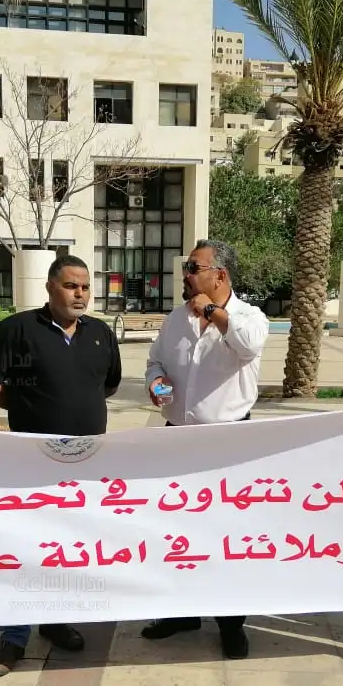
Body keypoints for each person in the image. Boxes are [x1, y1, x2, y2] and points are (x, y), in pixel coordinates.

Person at [0, 255, 121, 676]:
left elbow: (107, 385)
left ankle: (56, 620)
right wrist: (23, 405)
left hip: (84, 467)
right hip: (30, 466)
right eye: (71, 286)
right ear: (50, 287)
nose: (80, 294)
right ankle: (13, 637)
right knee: (25, 547)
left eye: (85, 287)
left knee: (67, 547)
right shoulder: (17, 330)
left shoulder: (100, 334)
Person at [139, 239, 270, 659]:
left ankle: (231, 623)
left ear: (220, 275)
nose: (186, 274)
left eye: (194, 268)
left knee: (225, 535)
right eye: (186, 267)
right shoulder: (176, 319)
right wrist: (157, 381)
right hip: (178, 438)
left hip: (228, 443)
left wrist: (211, 312)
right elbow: (156, 361)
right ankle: (181, 613)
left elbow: (248, 346)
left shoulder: (249, 317)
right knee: (177, 530)